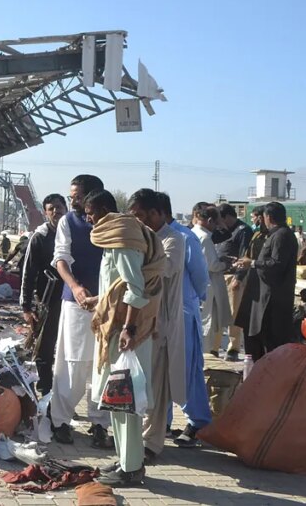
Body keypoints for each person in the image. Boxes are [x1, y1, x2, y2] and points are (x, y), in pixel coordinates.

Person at [85, 190, 165, 486]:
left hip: (126, 332)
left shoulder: (124, 236)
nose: (88, 219)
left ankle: (131, 468)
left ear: (104, 210)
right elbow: (115, 285)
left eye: (90, 213)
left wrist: (130, 329)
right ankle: (125, 460)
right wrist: (99, 300)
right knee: (116, 398)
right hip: (117, 328)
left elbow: (135, 288)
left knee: (125, 400)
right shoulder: (118, 236)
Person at [50, 174, 113, 449]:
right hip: (76, 303)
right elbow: (61, 258)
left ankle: (100, 424)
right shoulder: (68, 222)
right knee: (72, 364)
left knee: (104, 366)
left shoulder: (115, 224)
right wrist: (75, 287)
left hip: (108, 304)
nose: (72, 200)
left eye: (77, 196)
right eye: (72, 195)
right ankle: (60, 421)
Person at [127, 189, 186, 462]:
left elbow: (162, 270)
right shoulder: (141, 237)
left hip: (161, 323)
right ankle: (136, 437)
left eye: (140, 216)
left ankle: (153, 442)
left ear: (155, 213)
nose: (138, 221)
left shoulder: (174, 240)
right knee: (140, 381)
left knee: (158, 386)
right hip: (139, 321)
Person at [158, 193, 211, 448]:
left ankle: (198, 421)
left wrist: (194, 300)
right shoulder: (154, 237)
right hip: (163, 313)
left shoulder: (185, 237)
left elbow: (200, 276)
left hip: (184, 311)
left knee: (187, 370)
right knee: (162, 369)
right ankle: (162, 422)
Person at [233, 201, 299, 361]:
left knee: (271, 341)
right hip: (264, 294)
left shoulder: (281, 235)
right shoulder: (276, 234)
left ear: (268, 217)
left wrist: (253, 263)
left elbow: (276, 264)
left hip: (271, 299)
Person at [21, 193, 67, 395]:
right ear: (45, 212)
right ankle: (46, 391)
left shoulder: (74, 234)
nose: (56, 211)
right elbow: (28, 273)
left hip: (72, 302)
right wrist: (26, 307)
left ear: (66, 209)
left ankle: (64, 395)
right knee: (44, 349)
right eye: (51, 209)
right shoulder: (40, 237)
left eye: (59, 207)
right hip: (47, 302)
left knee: (67, 351)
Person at [191, 204, 232, 358]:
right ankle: (206, 356)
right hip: (209, 285)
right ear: (209, 220)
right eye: (216, 222)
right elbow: (212, 265)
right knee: (208, 323)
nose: (217, 226)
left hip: (198, 286)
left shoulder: (193, 233)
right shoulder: (205, 237)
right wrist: (226, 264)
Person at [214, 204, 252, 361]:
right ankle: (214, 346)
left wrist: (239, 277)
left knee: (233, 314)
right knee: (216, 312)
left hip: (233, 277)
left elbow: (245, 255)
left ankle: (233, 347)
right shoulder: (220, 231)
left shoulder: (243, 231)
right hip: (218, 274)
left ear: (227, 217)